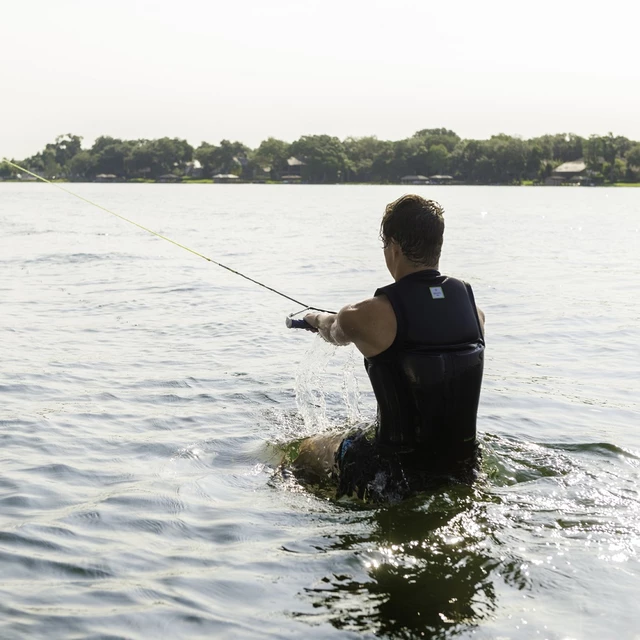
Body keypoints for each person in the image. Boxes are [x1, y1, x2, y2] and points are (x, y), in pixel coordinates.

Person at [292, 194, 485, 502]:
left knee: (306, 451)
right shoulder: (474, 311)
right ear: (438, 245)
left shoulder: (365, 315)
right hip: (463, 466)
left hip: (392, 472)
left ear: (393, 247)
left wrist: (313, 317)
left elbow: (333, 330)